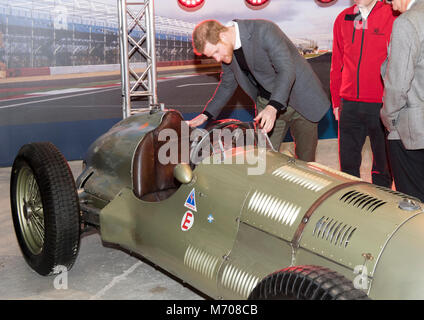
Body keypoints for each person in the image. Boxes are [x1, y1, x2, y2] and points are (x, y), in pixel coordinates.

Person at [187, 19, 330, 162]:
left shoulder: (264, 30)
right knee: (263, 160)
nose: (217, 58)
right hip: (266, 103)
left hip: (300, 98)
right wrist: (206, 114)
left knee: (306, 161)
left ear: (223, 36)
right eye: (213, 56)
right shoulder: (227, 51)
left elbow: (286, 70)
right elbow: (227, 84)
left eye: (216, 51)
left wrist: (273, 107)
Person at [330, 0, 397, 187]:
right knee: (348, 166)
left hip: (381, 104)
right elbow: (337, 64)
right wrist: (336, 101)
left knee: (384, 166)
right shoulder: (343, 18)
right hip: (349, 104)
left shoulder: (392, 15)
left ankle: (382, 205)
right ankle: (351, 206)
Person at [381, 0, 424, 201]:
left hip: (413, 130)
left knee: (414, 205)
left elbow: (397, 84)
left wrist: (389, 119)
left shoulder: (407, 22)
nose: (388, 2)